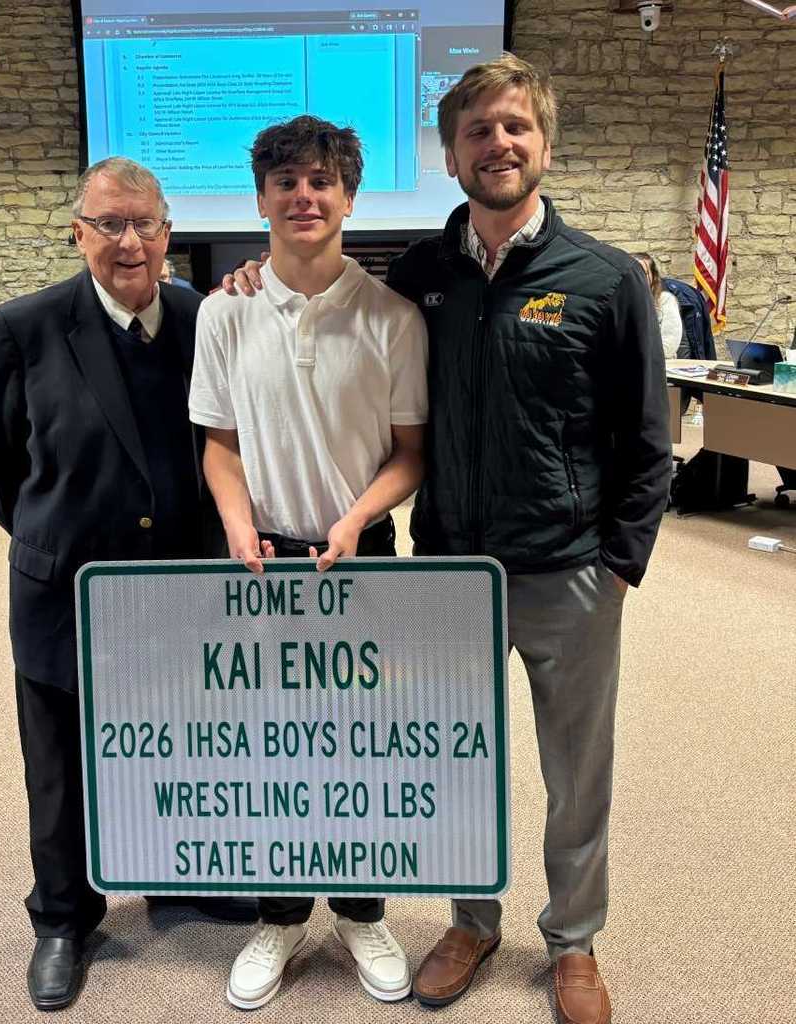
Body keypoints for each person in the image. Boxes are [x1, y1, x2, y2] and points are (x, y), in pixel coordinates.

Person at [224, 55, 672, 1024]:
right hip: (449, 574)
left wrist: (619, 564)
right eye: (476, 130)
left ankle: (572, 941)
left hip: (569, 572)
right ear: (449, 152)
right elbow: (331, 307)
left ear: (541, 143)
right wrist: (253, 278)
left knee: (572, 772)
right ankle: (471, 920)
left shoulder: (602, 279)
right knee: (455, 761)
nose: (496, 143)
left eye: (514, 126)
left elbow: (648, 438)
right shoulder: (421, 274)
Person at [0, 157, 229, 1013]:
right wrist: (61, 538)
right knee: (61, 761)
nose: (130, 242)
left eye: (145, 223)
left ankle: (173, 877)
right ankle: (63, 919)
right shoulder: (23, 328)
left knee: (171, 742)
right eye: (109, 224)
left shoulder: (203, 317)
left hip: (178, 590)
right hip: (65, 590)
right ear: (78, 233)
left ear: (168, 230)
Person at [189, 115, 428, 1010]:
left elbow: (411, 450)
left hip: (359, 557)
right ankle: (283, 916)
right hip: (259, 561)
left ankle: (362, 912)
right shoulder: (224, 308)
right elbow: (217, 443)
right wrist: (237, 524)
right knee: (274, 748)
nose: (303, 196)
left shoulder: (392, 318)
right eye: (286, 182)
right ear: (259, 198)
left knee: (361, 745)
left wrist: (359, 515)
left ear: (349, 198)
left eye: (321, 181)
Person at [632, 251, 685, 358]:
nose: (637, 277)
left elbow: (668, 348)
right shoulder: (619, 303)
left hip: (659, 367)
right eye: (633, 273)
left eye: (643, 273)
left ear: (653, 276)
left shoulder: (665, 300)